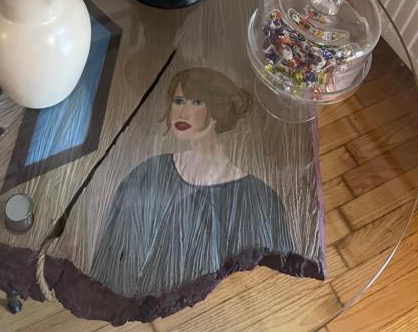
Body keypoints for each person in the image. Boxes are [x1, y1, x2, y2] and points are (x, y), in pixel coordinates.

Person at [89, 67, 292, 297]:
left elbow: (271, 282)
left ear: (217, 109)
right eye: (178, 101)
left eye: (196, 102)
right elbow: (114, 261)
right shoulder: (149, 174)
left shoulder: (259, 198)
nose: (182, 112)